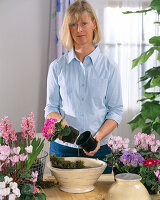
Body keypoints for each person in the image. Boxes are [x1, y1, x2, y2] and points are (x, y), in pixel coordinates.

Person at [44, 0, 123, 173]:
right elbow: (51, 107)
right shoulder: (57, 67)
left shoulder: (110, 67)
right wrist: (60, 122)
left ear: (94, 23)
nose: (79, 29)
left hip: (99, 150)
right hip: (63, 149)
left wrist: (98, 137)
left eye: (84, 23)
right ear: (68, 28)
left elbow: (115, 110)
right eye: (73, 24)